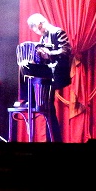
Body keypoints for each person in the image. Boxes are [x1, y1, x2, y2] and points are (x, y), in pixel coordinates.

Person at [21, 12, 72, 142]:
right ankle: (28, 99)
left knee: (48, 108)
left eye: (36, 29)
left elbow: (66, 50)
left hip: (57, 71)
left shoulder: (57, 32)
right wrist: (36, 59)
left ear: (40, 24)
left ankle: (30, 99)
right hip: (48, 72)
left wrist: (49, 54)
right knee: (24, 65)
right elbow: (43, 59)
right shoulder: (43, 39)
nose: (37, 32)